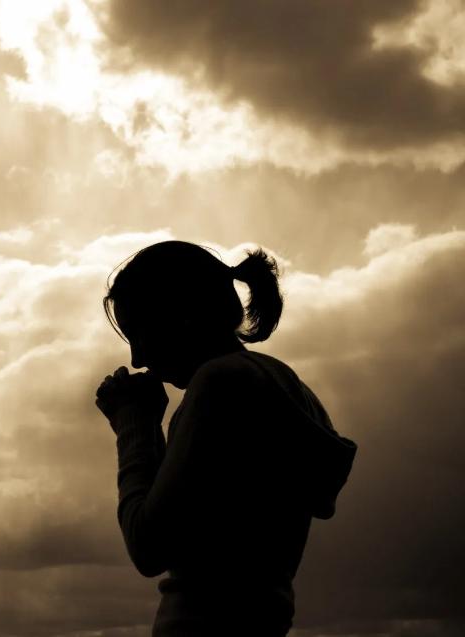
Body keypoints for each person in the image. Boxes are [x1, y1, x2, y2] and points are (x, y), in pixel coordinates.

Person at [94, 240, 358, 636]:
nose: (137, 359)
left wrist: (133, 425)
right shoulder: (287, 388)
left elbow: (149, 546)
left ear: (181, 318)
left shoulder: (219, 385)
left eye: (141, 334)